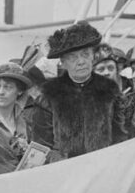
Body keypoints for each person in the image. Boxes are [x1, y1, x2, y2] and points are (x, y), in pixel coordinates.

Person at [31, 21, 129, 159]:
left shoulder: (110, 91)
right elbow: (41, 147)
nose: (81, 61)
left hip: (103, 168)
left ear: (92, 56)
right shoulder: (48, 96)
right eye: (73, 57)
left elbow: (120, 136)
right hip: (65, 172)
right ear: (63, 63)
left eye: (85, 54)